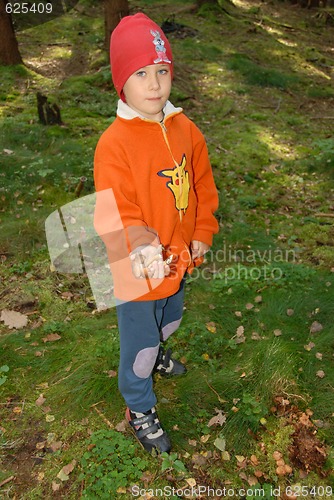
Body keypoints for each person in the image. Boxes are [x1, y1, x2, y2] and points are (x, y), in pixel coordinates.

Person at [94, 12, 219, 454]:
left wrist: (202, 227)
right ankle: (138, 404)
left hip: (178, 255)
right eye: (140, 73)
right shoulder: (115, 142)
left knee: (171, 316)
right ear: (121, 82)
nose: (153, 84)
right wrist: (142, 244)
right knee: (140, 340)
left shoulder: (186, 129)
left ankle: (157, 354)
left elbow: (201, 183)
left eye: (162, 71)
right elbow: (115, 205)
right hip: (137, 266)